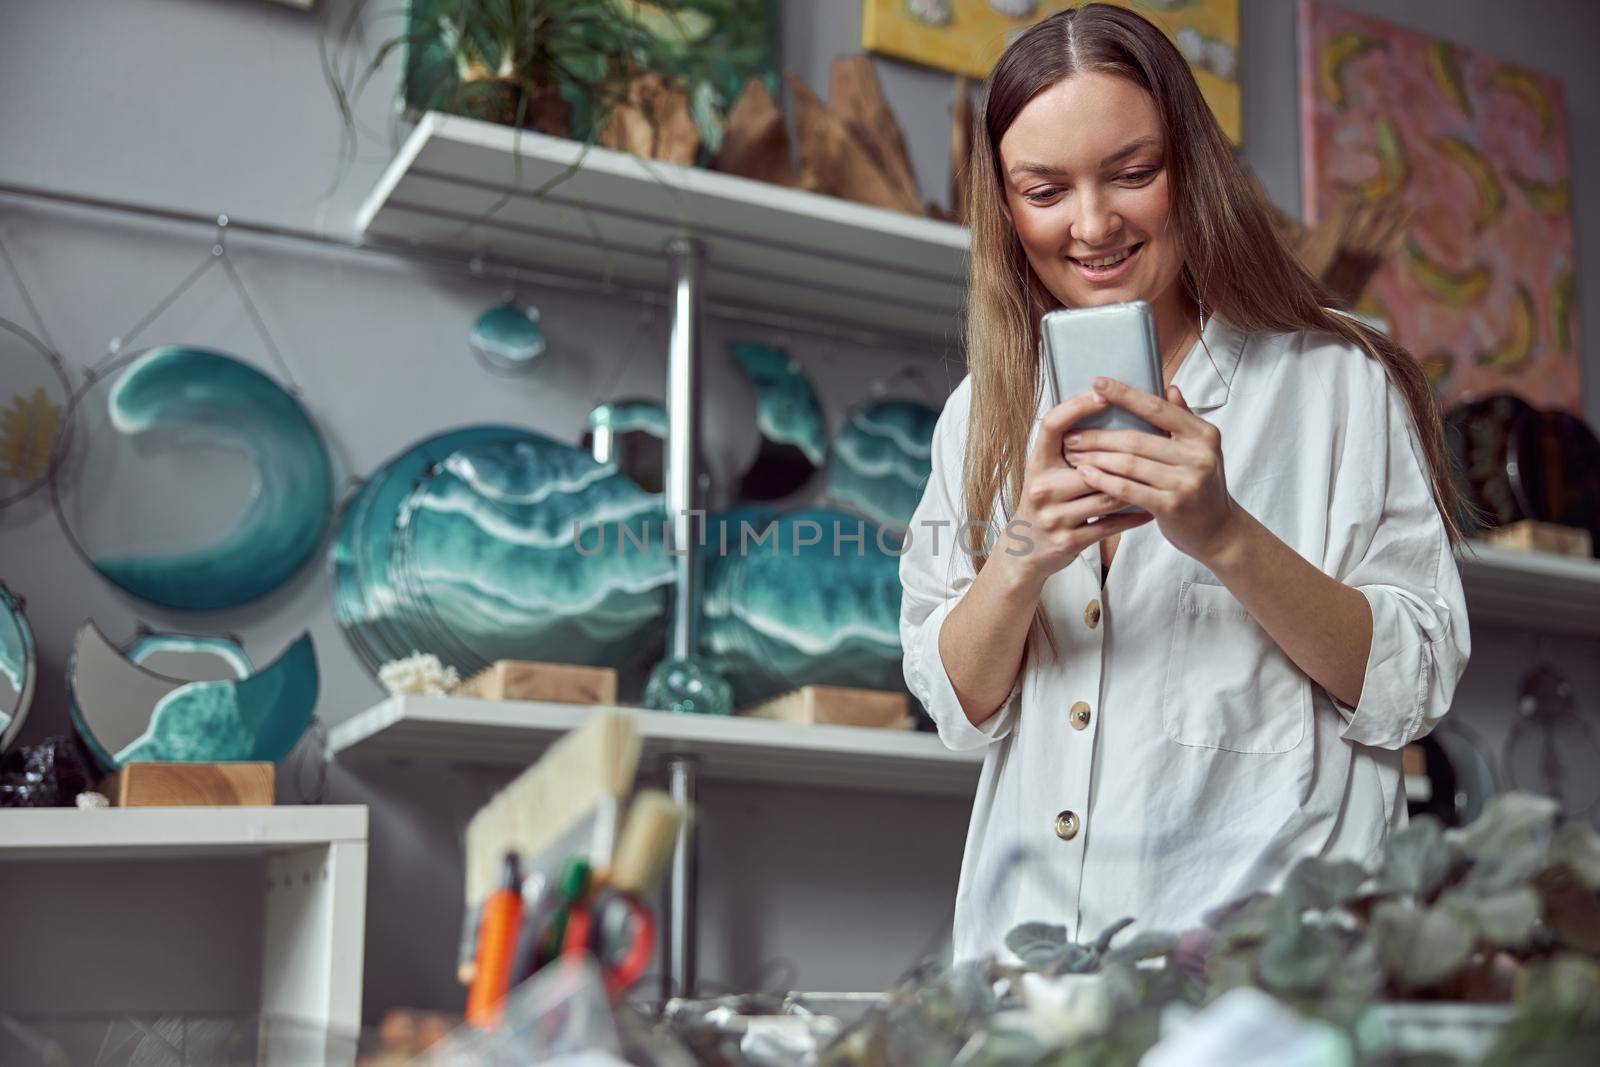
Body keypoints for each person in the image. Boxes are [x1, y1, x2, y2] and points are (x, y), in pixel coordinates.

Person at [898, 3, 1471, 964]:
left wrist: (1225, 535)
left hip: (1259, 987)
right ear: (1004, 205)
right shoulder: (979, 413)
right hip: (1025, 988)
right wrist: (1025, 555)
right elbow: (955, 707)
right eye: (1045, 190)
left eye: (1133, 174)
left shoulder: (1333, 381)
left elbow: (1416, 682)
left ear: (1191, 169)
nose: (1092, 224)